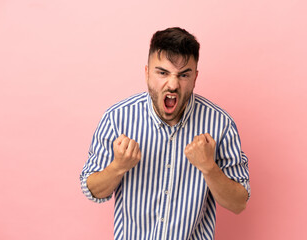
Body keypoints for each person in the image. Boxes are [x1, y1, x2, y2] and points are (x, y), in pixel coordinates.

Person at [80, 27, 250, 240]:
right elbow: (92, 191)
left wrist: (209, 168)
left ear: (195, 77)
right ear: (147, 73)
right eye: (162, 72)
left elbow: (238, 203)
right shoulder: (117, 119)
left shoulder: (220, 124)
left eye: (184, 75)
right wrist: (118, 166)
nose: (173, 84)